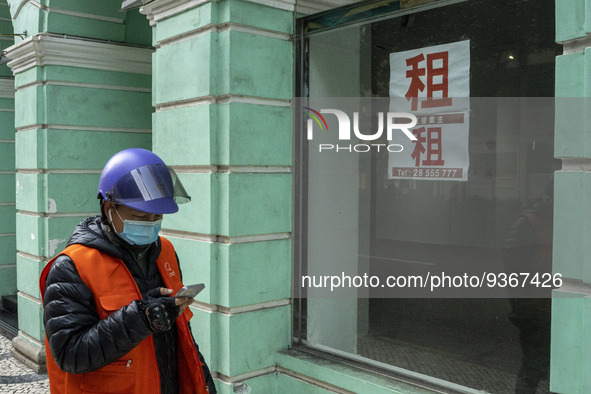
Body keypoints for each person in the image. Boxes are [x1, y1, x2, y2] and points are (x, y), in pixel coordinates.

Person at [39, 148, 217, 394]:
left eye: (157, 216)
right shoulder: (72, 266)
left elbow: (180, 335)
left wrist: (203, 379)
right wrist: (140, 319)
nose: (151, 223)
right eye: (140, 216)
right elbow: (70, 354)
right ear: (110, 208)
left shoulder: (164, 251)